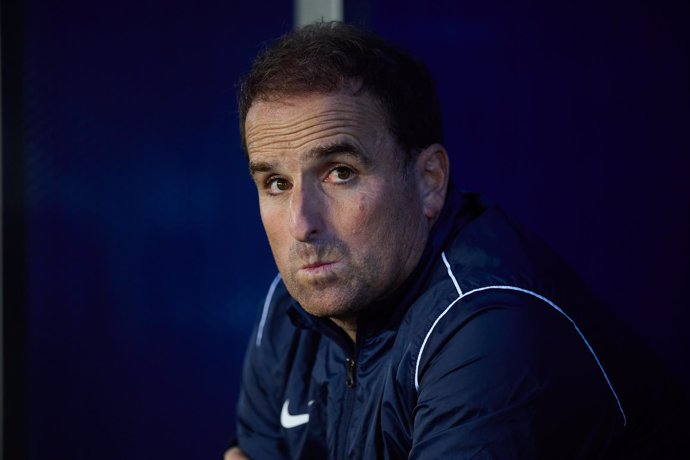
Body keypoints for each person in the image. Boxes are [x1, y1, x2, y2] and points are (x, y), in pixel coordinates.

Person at [226, 21, 685, 459]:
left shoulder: (490, 327)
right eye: (276, 184)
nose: (301, 224)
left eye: (340, 173)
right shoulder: (287, 307)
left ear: (429, 180)